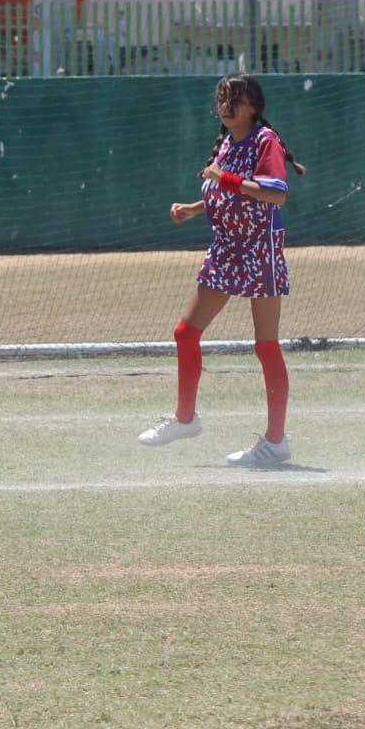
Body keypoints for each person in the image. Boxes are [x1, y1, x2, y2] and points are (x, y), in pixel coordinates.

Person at [137, 73, 303, 466]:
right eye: (222, 99)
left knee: (266, 346)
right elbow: (222, 195)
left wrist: (224, 178)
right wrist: (192, 209)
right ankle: (185, 418)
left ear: (254, 107)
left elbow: (276, 192)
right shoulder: (227, 143)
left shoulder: (265, 141)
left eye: (237, 99)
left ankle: (275, 442)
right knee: (185, 332)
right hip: (227, 248)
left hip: (259, 249)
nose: (227, 106)